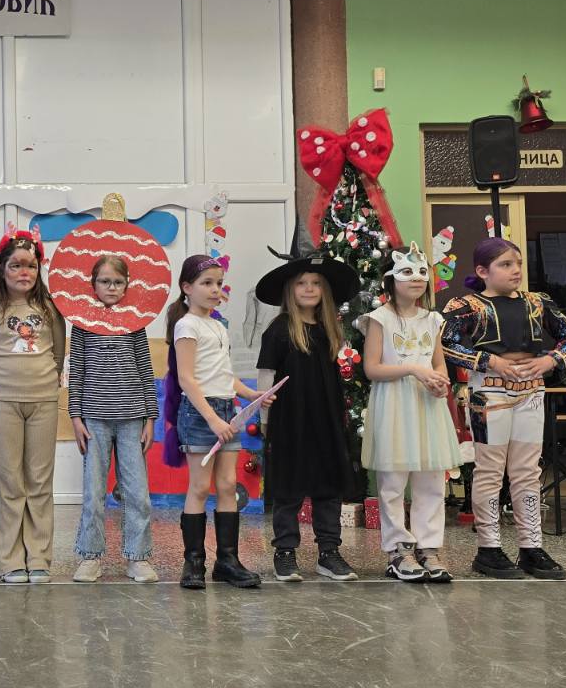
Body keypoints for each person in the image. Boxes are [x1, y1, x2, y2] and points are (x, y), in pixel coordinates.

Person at [442, 237, 566, 579]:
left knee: (527, 471)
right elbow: (445, 343)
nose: (516, 270)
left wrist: (551, 359)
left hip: (531, 392)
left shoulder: (538, 302)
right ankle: (488, 549)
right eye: (505, 264)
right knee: (490, 471)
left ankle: (531, 547)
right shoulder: (467, 305)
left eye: (518, 263)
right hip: (488, 395)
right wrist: (488, 361)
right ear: (483, 271)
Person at [255, 247, 361, 582]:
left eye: (316, 283)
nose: (309, 288)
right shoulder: (279, 329)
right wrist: (265, 422)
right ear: (290, 289)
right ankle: (285, 551)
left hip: (326, 419)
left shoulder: (330, 330)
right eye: (302, 283)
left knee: (328, 486)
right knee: (289, 487)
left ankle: (329, 552)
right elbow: (265, 378)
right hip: (290, 420)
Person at [361, 243, 460, 582]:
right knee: (393, 481)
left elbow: (439, 365)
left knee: (431, 478)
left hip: (427, 405)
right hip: (394, 404)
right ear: (390, 279)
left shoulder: (432, 319)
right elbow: (372, 368)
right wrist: (413, 370)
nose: (416, 279)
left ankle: (429, 547)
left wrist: (439, 383)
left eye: (421, 272)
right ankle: (398, 550)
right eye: (407, 272)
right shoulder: (380, 319)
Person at [164, 254, 262, 589]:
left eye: (219, 283)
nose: (215, 289)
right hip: (199, 413)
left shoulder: (219, 326)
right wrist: (212, 419)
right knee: (200, 487)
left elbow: (224, 375)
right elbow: (187, 379)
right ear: (187, 287)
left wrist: (250, 393)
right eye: (206, 283)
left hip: (226, 411)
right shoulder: (186, 325)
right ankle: (193, 562)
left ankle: (227, 561)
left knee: (227, 485)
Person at [0, 230, 66, 583]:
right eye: (16, 266)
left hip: (43, 402)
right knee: (11, 481)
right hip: (4, 403)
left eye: (31, 266)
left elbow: (58, 356)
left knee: (40, 481)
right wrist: (2, 388)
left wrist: (44, 384)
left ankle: (39, 558)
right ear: (2, 269)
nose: (24, 272)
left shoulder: (50, 309)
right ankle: (10, 560)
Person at [69, 254, 158, 582]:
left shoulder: (135, 322)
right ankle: (90, 556)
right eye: (105, 281)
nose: (111, 287)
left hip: (132, 418)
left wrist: (150, 418)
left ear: (126, 285)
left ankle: (138, 557)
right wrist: (75, 416)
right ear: (93, 284)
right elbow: (76, 372)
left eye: (118, 282)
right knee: (93, 493)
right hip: (94, 419)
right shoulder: (82, 323)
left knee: (137, 492)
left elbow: (146, 371)